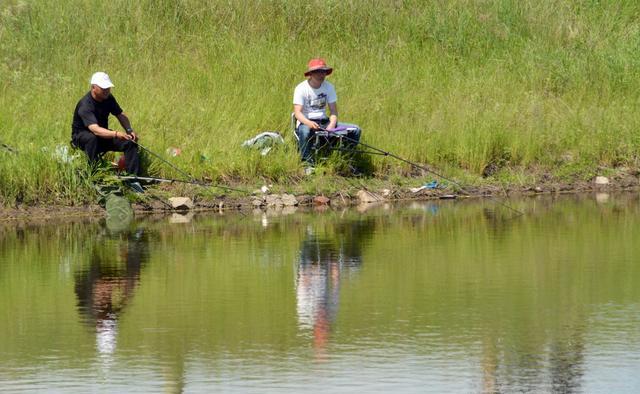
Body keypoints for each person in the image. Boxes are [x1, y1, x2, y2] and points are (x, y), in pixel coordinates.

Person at [293, 58, 361, 165]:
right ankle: (306, 163)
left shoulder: (329, 87)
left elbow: (333, 111)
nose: (321, 75)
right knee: (305, 132)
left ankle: (346, 160)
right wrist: (309, 123)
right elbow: (297, 113)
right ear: (311, 74)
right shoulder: (301, 88)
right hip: (306, 122)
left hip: (324, 122)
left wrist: (332, 124)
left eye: (323, 72)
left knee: (355, 130)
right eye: (318, 72)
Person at [71, 72, 141, 176]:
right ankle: (92, 175)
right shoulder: (85, 105)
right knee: (91, 138)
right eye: (103, 88)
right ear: (93, 87)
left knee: (129, 142)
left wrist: (129, 131)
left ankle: (133, 178)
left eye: (108, 87)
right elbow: (95, 130)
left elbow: (120, 114)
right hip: (82, 138)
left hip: (102, 136)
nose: (107, 90)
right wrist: (116, 134)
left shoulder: (108, 98)